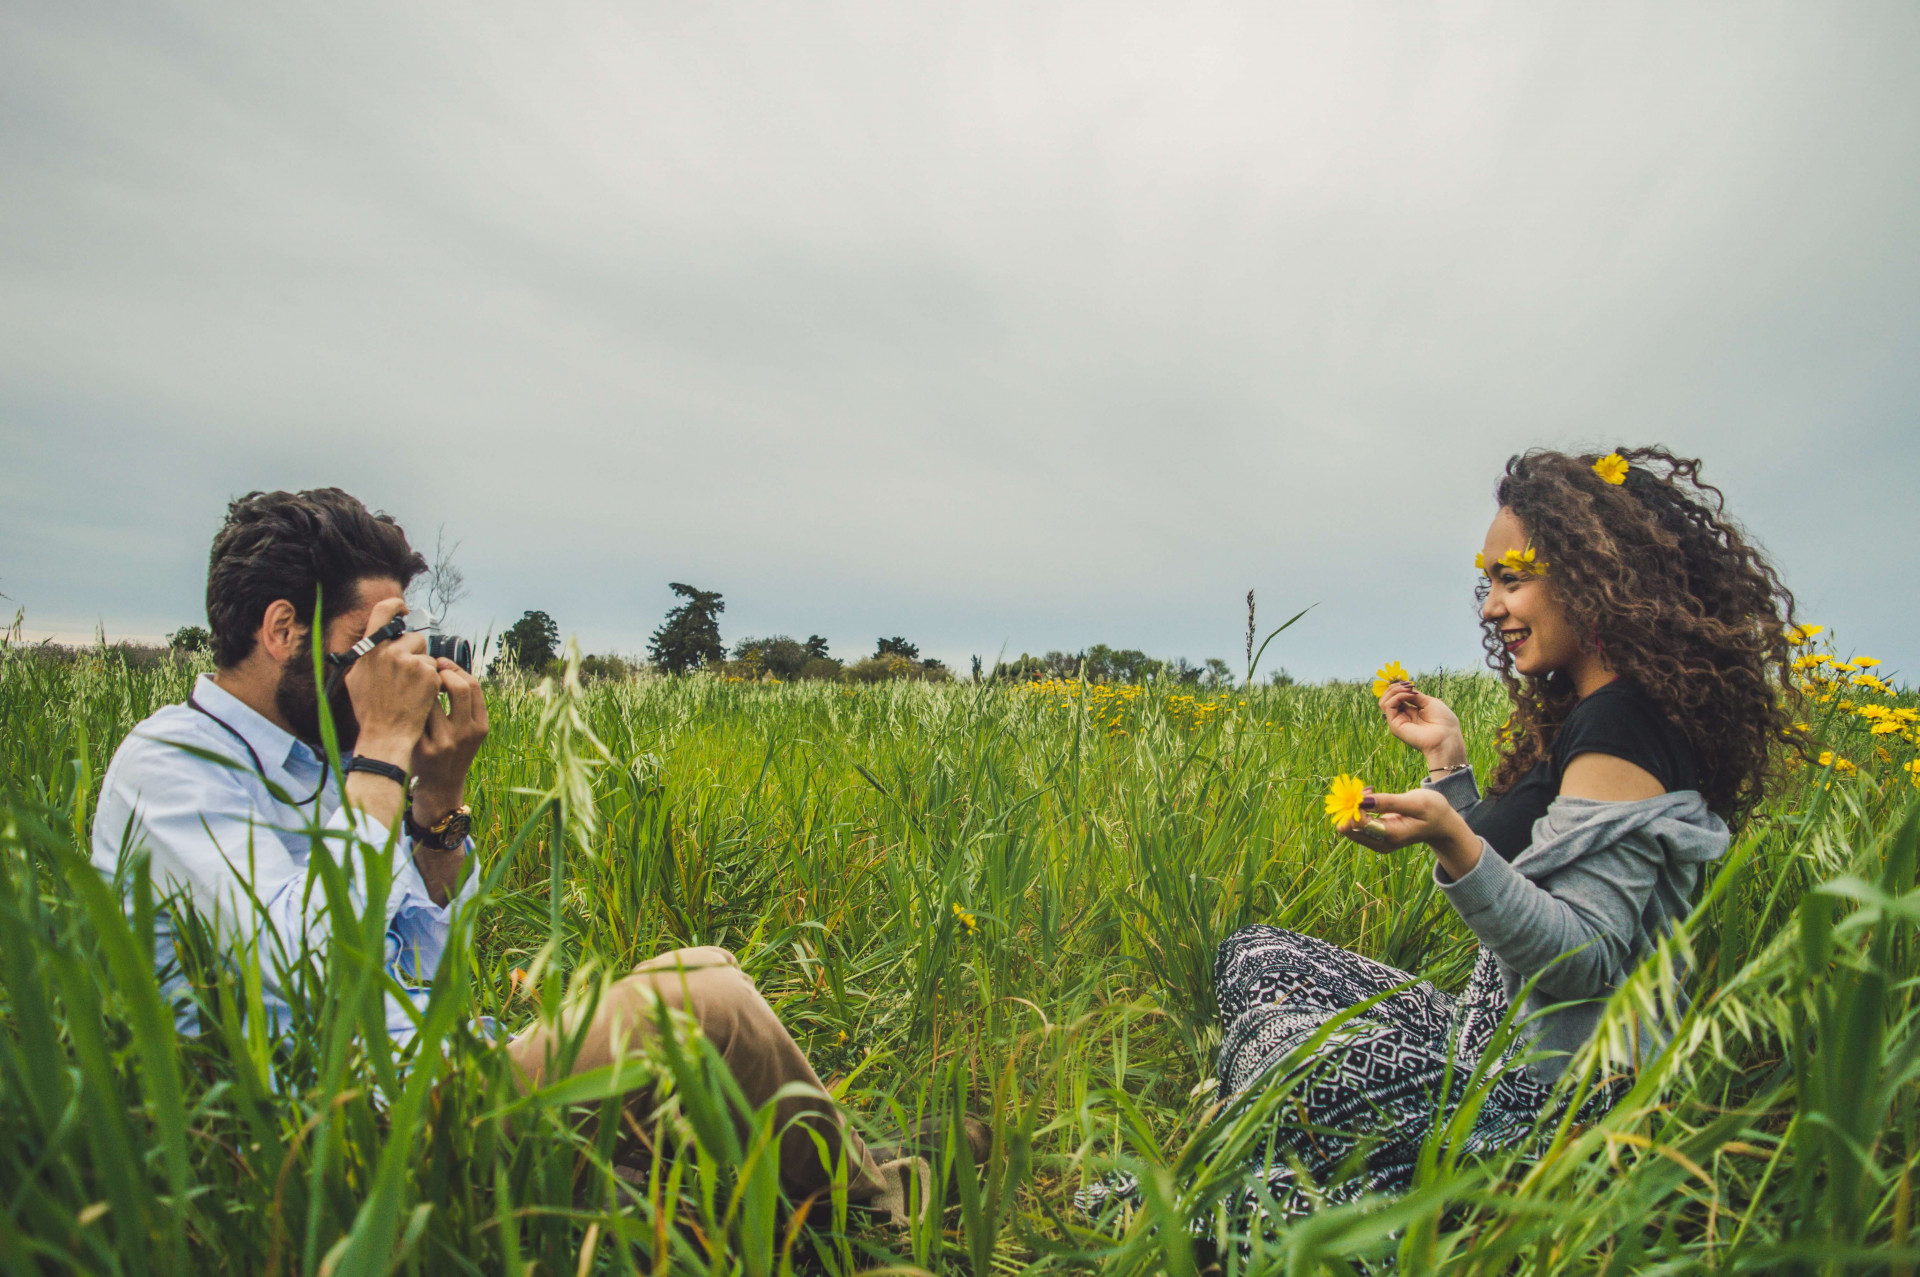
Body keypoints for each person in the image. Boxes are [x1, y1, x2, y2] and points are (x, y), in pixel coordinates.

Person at [90, 488, 928, 1219]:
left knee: (702, 962)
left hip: (430, 1071)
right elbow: (316, 971)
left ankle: (838, 1165)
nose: (403, 665)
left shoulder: (321, 763)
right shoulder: (170, 769)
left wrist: (436, 799)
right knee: (699, 1002)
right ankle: (874, 1203)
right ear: (283, 629)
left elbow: (429, 969)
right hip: (340, 1135)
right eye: (378, 640)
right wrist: (382, 748)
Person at [1088, 447, 1798, 1238]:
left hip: (1552, 1105)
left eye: (1513, 578)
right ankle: (1289, 1149)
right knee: (1255, 954)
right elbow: (1536, 863)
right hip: (1484, 1033)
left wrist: (1454, 842)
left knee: (1298, 1058)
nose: (1491, 607)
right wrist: (1448, 767)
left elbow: (1585, 955)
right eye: (1488, 581)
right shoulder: (1592, 712)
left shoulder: (1620, 726)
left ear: (1594, 574)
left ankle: (1250, 1191)